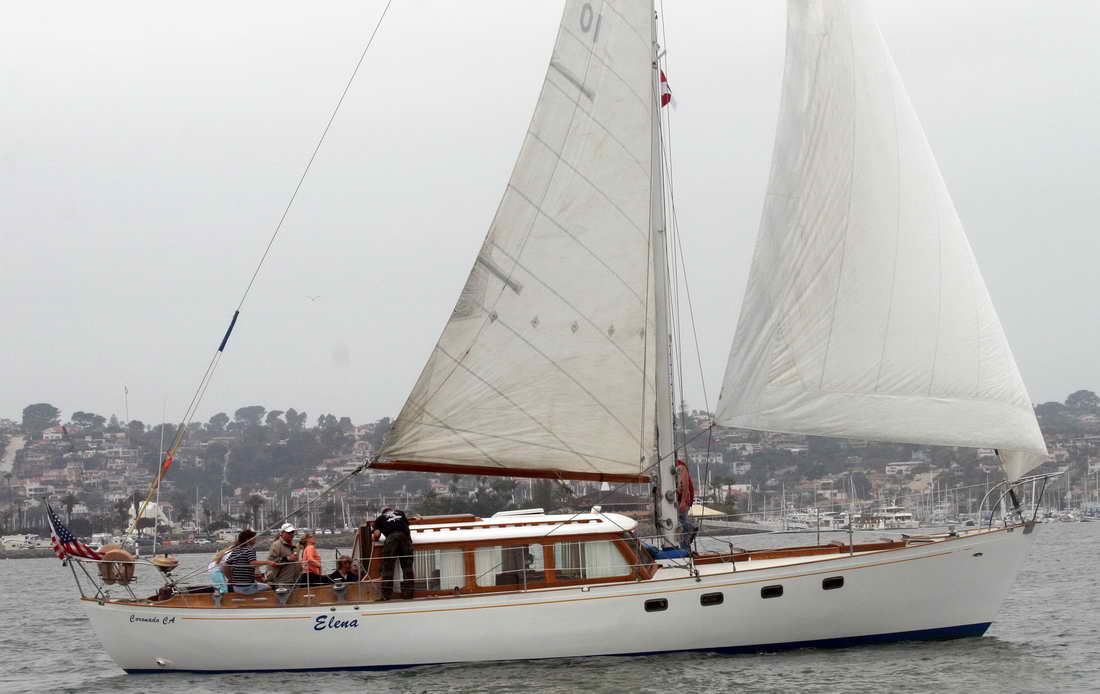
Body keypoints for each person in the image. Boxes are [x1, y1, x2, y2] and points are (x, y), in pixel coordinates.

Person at [372, 507, 420, 600]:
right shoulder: (400, 513)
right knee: (407, 568)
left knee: (388, 568)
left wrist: (375, 538)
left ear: (383, 513)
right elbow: (406, 526)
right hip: (405, 538)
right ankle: (408, 595)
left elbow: (377, 534)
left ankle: (386, 595)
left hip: (391, 539)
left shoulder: (380, 518)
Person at [224, 528, 276, 594]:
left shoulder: (235, 551)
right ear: (248, 539)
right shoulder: (250, 549)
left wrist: (230, 579)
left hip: (236, 587)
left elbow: (225, 565)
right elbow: (253, 563)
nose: (255, 539)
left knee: (259, 585)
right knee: (269, 587)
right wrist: (268, 562)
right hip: (248, 587)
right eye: (253, 537)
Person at [266, 522, 300, 588]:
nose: (291, 534)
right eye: (289, 532)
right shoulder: (276, 545)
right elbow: (272, 562)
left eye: (292, 532)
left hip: (295, 581)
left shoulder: (294, 545)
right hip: (282, 581)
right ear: (282, 533)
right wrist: (287, 558)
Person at [674, 459, 698, 550]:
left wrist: (683, 501)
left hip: (683, 500)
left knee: (680, 523)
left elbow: (685, 484)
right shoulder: (675, 466)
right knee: (680, 524)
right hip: (678, 500)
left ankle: (690, 528)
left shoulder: (680, 466)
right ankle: (685, 550)